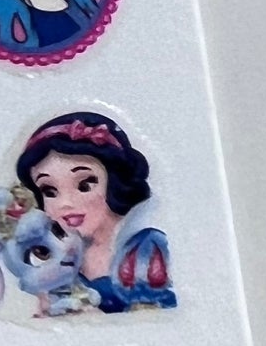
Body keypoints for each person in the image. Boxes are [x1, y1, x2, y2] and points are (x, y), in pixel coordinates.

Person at [11, 112, 173, 311]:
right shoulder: (55, 255)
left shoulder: (144, 249)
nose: (66, 203)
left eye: (85, 185)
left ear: (114, 183)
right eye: (49, 191)